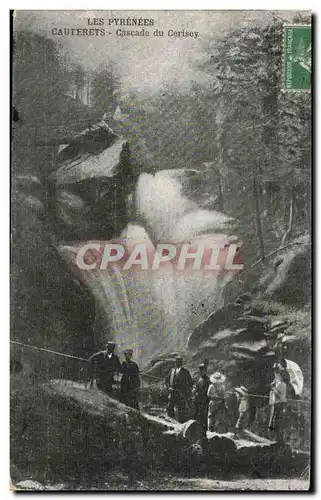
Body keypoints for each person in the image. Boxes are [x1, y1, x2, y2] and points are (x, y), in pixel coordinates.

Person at [165, 356, 193, 423]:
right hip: (172, 392)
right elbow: (166, 380)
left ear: (181, 363)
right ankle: (171, 422)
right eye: (176, 362)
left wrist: (187, 391)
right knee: (169, 407)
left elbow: (190, 383)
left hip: (181, 393)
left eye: (179, 362)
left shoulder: (185, 372)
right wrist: (169, 387)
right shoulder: (172, 371)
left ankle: (181, 423)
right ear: (175, 362)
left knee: (181, 409)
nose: (177, 363)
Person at [268, 364, 289, 442]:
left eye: (277, 373)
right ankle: (274, 437)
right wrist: (273, 385)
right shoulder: (277, 382)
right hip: (276, 403)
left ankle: (278, 438)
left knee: (277, 420)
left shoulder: (282, 385)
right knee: (273, 419)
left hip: (280, 404)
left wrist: (274, 389)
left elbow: (281, 396)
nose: (276, 375)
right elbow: (273, 386)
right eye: (275, 373)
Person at [193, 363, 210, 436]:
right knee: (198, 417)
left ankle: (203, 434)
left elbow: (206, 391)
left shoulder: (207, 380)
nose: (201, 371)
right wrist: (195, 391)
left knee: (203, 417)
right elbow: (197, 388)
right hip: (198, 401)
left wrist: (198, 393)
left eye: (202, 370)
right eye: (200, 370)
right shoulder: (199, 378)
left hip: (204, 401)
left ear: (205, 370)